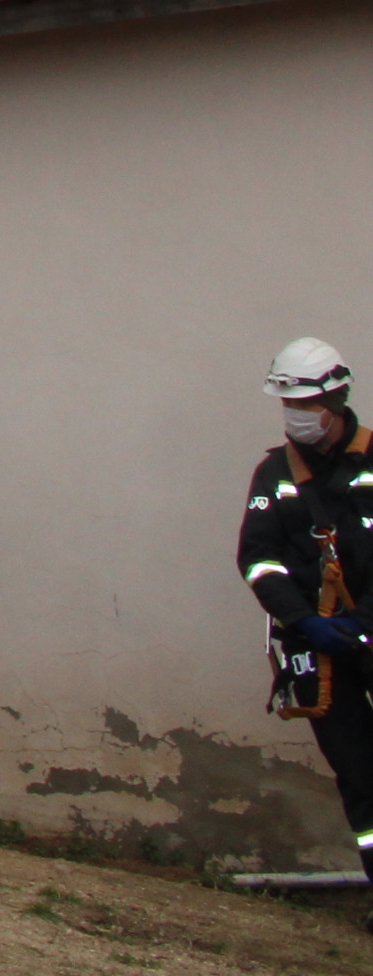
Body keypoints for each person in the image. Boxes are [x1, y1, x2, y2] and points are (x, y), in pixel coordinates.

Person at [241, 337, 373, 920]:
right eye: (287, 405)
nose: (297, 418)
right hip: (317, 651)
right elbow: (258, 559)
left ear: (338, 399)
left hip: (365, 631)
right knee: (361, 776)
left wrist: (363, 622)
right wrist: (302, 621)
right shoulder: (274, 473)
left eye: (307, 405)